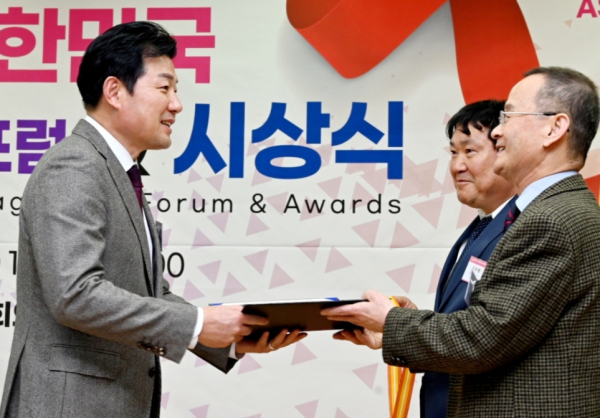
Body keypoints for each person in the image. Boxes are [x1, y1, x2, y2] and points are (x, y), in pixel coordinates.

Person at [0, 22, 305, 418]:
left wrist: (226, 338)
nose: (176, 105)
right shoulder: (74, 166)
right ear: (114, 91)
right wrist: (198, 324)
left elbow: (149, 295)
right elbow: (75, 296)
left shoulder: (118, 172)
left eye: (176, 90)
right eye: (164, 88)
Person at [323, 67, 600, 417]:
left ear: (554, 128)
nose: (498, 131)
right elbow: (505, 331)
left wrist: (391, 321)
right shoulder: (552, 211)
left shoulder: (549, 220)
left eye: (510, 116)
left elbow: (483, 337)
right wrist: (399, 325)